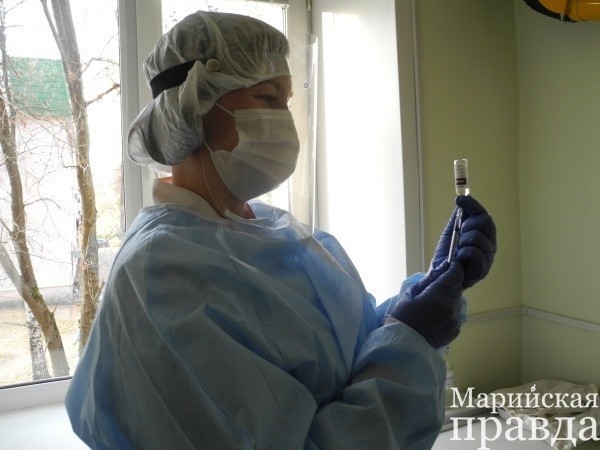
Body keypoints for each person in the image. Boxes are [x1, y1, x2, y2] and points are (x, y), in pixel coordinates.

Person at [65, 11, 496, 450]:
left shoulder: (272, 229)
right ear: (191, 109)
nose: (286, 123)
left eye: (286, 102)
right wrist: (416, 335)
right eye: (268, 98)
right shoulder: (163, 279)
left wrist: (426, 295)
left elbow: (349, 346)